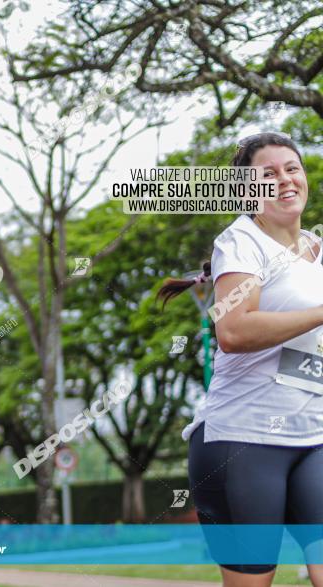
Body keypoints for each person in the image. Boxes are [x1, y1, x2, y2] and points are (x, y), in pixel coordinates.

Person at [158, 132, 323, 586]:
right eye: (268, 174)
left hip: (313, 439)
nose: (285, 180)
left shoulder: (317, 249)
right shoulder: (241, 241)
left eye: (292, 168)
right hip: (242, 443)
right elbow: (232, 331)